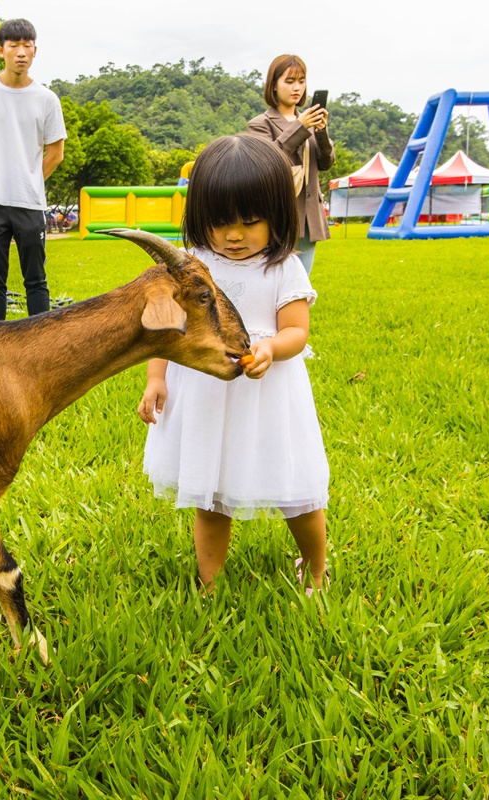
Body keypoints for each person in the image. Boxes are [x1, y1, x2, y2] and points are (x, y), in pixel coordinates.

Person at [138, 134, 329, 594]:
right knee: (210, 491)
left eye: (250, 221)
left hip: (269, 396)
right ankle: (210, 582)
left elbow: (297, 331)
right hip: (205, 392)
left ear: (278, 215)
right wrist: (156, 378)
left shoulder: (282, 268)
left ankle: (316, 567)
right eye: (221, 223)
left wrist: (270, 349)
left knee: (297, 493)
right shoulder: (193, 265)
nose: (234, 235)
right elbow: (169, 330)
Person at [0, 18, 66, 320]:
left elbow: (55, 154)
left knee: (36, 280)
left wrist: (30, 180)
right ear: (1, 50)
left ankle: (40, 345)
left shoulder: (47, 99)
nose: (21, 52)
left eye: (27, 45)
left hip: (29, 203)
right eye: (14, 46)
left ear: (35, 51)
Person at [247, 54, 333, 276]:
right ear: (273, 85)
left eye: (301, 81)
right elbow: (267, 161)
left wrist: (321, 131)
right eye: (289, 81)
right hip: (277, 216)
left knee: (302, 284)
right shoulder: (260, 124)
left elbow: (326, 162)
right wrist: (300, 128)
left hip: (308, 219)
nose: (297, 87)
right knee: (273, 281)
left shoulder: (310, 122)